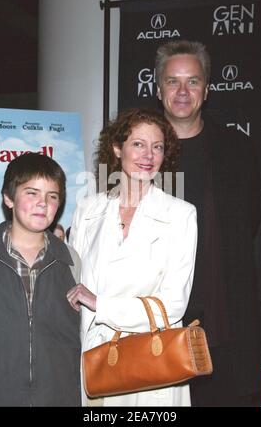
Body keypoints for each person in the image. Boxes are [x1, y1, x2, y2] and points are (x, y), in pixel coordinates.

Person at [155, 40, 261, 407]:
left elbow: (251, 223)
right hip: (156, 330)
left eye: (193, 81)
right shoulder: (133, 151)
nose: (183, 92)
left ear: (207, 89)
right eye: (173, 82)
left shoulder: (238, 150)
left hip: (225, 331)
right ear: (158, 90)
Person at [67, 108, 197, 407]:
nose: (148, 155)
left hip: (152, 360)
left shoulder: (181, 214)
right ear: (117, 148)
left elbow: (173, 305)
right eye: (138, 144)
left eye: (158, 146)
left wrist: (102, 304)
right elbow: (74, 288)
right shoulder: (88, 210)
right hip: (96, 359)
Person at [0, 152, 81, 407]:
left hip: (59, 397)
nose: (43, 203)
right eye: (32, 193)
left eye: (52, 196)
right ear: (8, 198)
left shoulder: (71, 261)